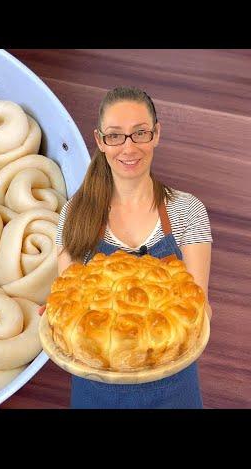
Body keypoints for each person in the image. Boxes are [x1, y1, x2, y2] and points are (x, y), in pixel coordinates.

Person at [38, 86, 213, 409]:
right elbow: (68, 297)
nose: (129, 147)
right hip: (96, 393)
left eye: (140, 133)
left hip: (174, 391)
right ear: (100, 141)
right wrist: (55, 316)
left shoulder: (187, 211)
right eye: (116, 136)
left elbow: (198, 310)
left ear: (156, 134)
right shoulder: (74, 214)